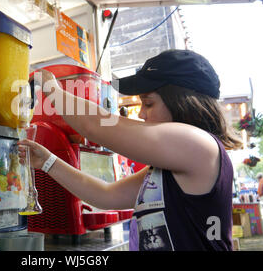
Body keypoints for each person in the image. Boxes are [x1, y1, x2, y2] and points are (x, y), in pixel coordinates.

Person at [18, 49, 242, 251]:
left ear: (184, 102)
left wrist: (51, 88)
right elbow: (106, 195)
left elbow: (94, 125)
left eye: (149, 103)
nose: (142, 114)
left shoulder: (200, 144)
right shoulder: (168, 168)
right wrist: (48, 162)